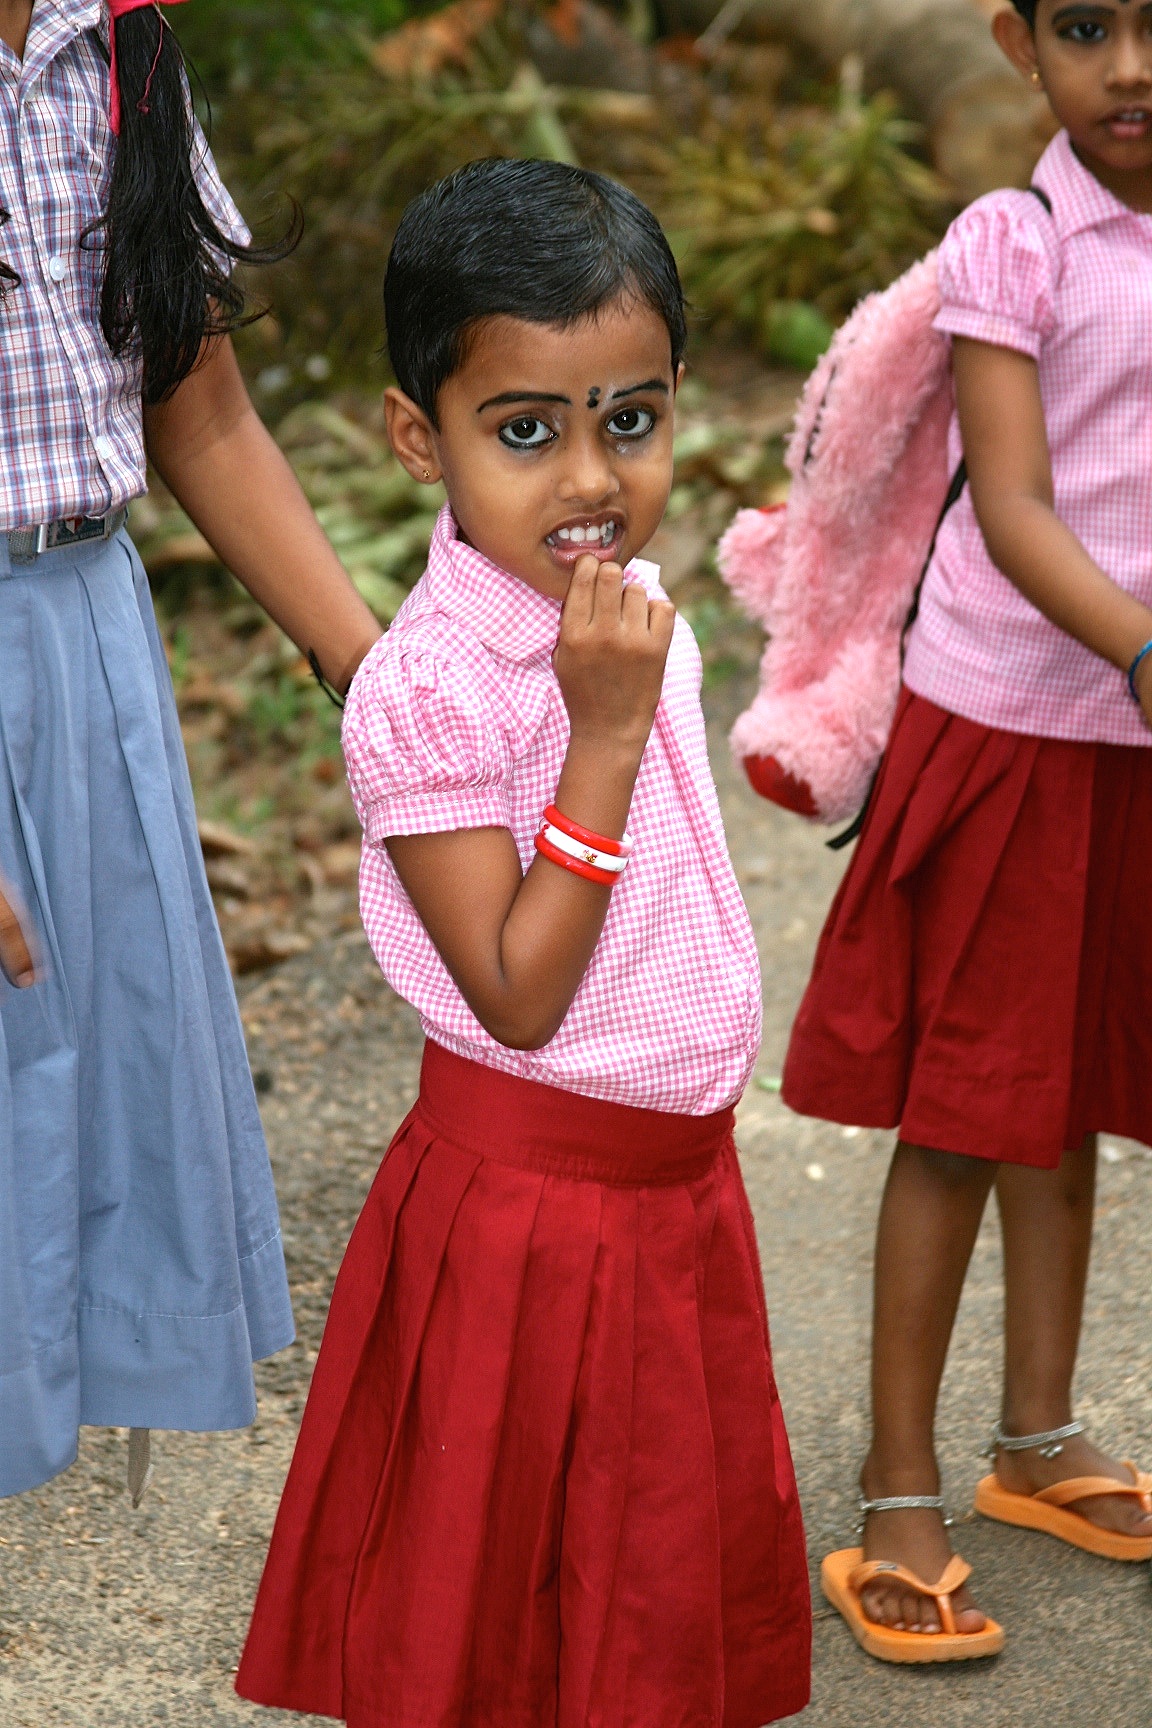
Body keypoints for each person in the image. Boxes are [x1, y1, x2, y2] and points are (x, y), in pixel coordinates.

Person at [234, 158, 812, 1727]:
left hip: (669, 1185)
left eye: (629, 419)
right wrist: (601, 740)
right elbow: (519, 988)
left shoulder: (631, 613)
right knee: (502, 1604)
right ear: (419, 435)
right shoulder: (432, 689)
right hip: (533, 1210)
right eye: (525, 429)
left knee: (635, 1579)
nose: (587, 478)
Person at [782, 0, 1152, 1664]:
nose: (1130, 65)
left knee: (1064, 1100)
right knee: (959, 1114)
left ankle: (1034, 1441)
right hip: (1014, 727)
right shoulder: (1017, 242)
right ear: (1018, 42)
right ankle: (897, 1485)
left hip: (1131, 745)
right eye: (1089, 25)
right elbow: (1008, 505)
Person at [0, 0, 381, 1500]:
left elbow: (202, 413)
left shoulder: (120, 54)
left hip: (86, 649)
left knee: (59, 1136)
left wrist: (378, 675)